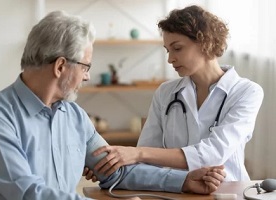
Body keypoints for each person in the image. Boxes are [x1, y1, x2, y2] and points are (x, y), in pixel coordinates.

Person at [0, 10, 226, 200]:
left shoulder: (74, 115)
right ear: (60, 66)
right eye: (85, 66)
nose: (86, 76)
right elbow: (29, 192)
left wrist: (183, 181)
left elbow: (116, 171)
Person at [85, 5, 264, 182]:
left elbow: (213, 154)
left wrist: (137, 153)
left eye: (177, 48)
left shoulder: (246, 92)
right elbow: (145, 159)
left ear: (206, 43)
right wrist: (107, 167)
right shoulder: (165, 92)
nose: (170, 59)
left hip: (229, 191)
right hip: (177, 190)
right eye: (167, 50)